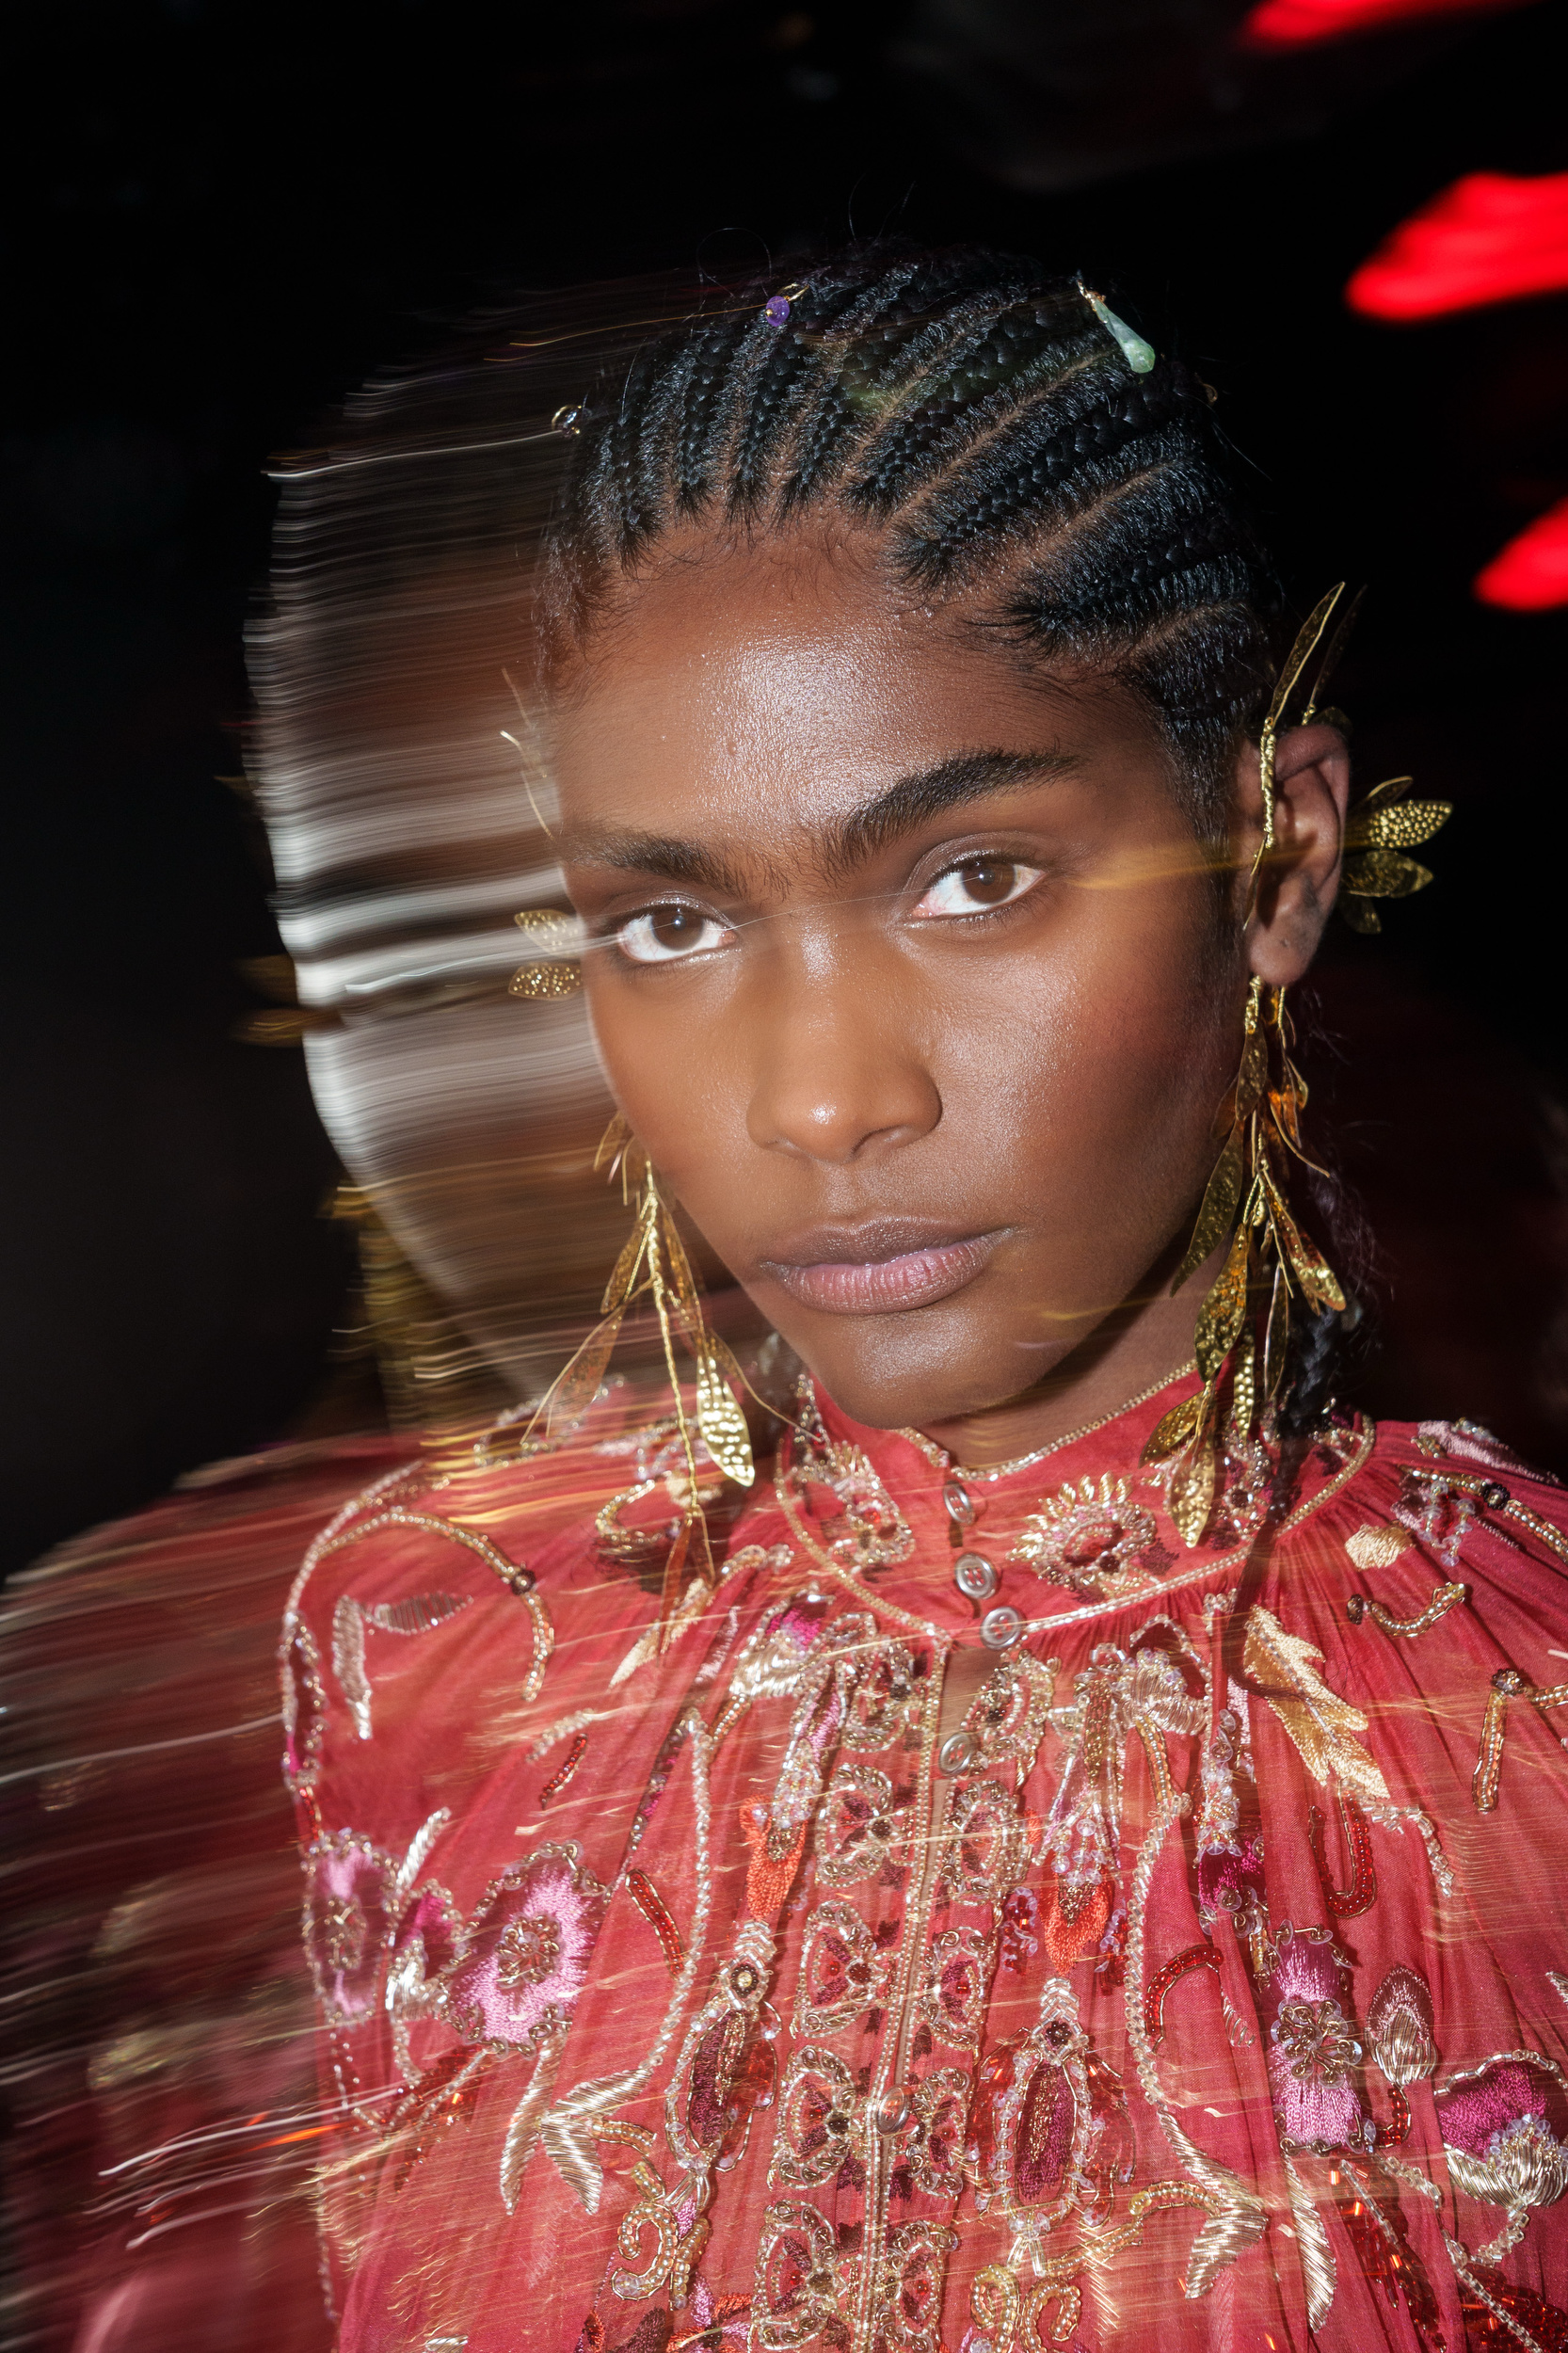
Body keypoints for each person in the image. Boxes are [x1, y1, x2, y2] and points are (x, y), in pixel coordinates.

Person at [280, 243, 1568, 2353]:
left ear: (1275, 856)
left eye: (973, 877)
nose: (819, 1100)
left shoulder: (1515, 1720)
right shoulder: (435, 1646)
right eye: (669, 921)